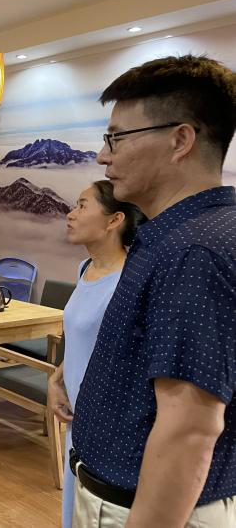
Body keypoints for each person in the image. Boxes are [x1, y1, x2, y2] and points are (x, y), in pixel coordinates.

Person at [71, 55, 236, 527]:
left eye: (116, 138)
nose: (103, 156)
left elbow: (190, 428)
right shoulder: (174, 236)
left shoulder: (193, 251)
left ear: (180, 140)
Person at [47, 180, 142, 527]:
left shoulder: (129, 282)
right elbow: (83, 338)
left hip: (106, 426)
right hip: (78, 417)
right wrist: (57, 378)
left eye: (82, 206)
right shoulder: (84, 268)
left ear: (114, 220)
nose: (70, 214)